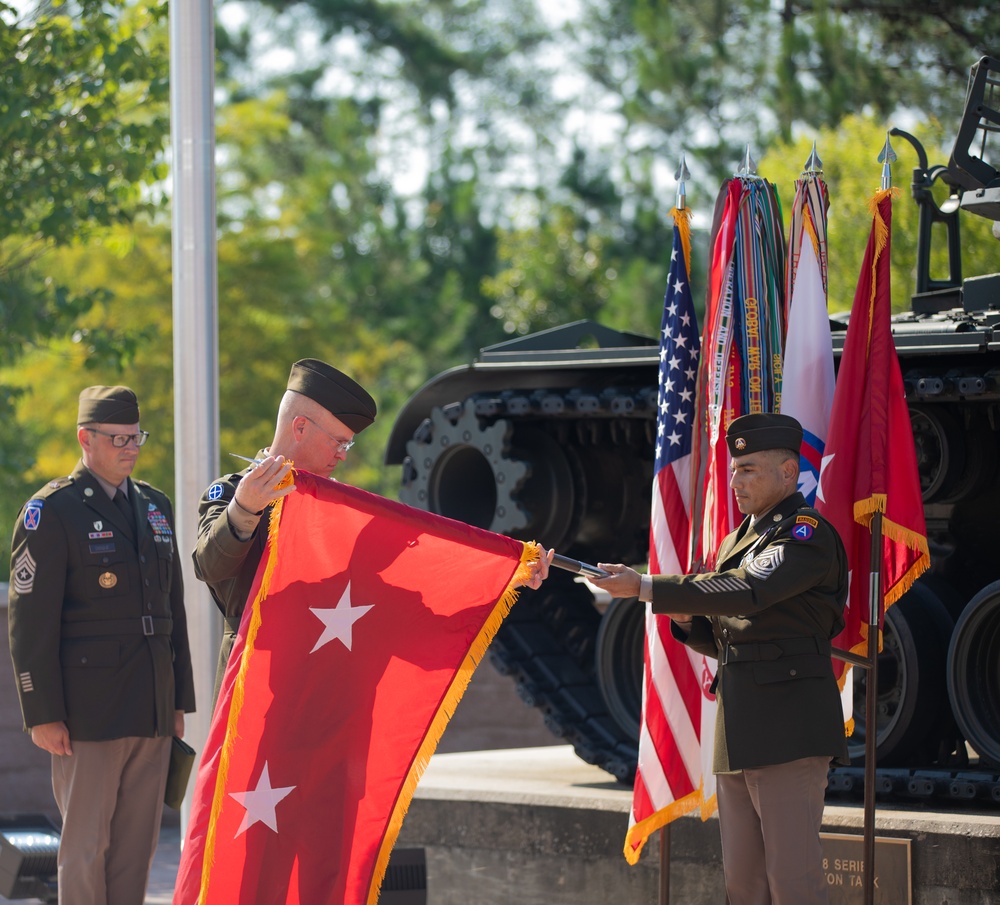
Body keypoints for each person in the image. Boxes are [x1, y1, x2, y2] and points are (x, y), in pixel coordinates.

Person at [589, 412, 848, 905]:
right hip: (740, 727)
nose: (735, 480)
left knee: (794, 880)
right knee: (743, 884)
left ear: (789, 473)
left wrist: (646, 586)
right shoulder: (737, 541)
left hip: (789, 726)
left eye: (749, 469)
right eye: (733, 469)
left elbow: (750, 591)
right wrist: (688, 619)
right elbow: (736, 635)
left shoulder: (804, 533)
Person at [194, 358, 553, 696]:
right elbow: (209, 565)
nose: (344, 454)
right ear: (300, 426)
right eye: (338, 441)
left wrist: (501, 574)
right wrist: (245, 508)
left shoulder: (341, 509)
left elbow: (405, 592)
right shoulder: (231, 493)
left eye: (348, 443)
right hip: (256, 687)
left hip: (333, 697)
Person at [7, 385, 195, 905]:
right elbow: (30, 621)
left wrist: (178, 701)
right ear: (85, 439)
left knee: (137, 849)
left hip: (151, 708)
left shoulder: (154, 507)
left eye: (136, 437)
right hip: (86, 715)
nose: (131, 447)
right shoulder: (52, 511)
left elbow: (171, 611)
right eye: (118, 438)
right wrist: (41, 712)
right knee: (86, 846)